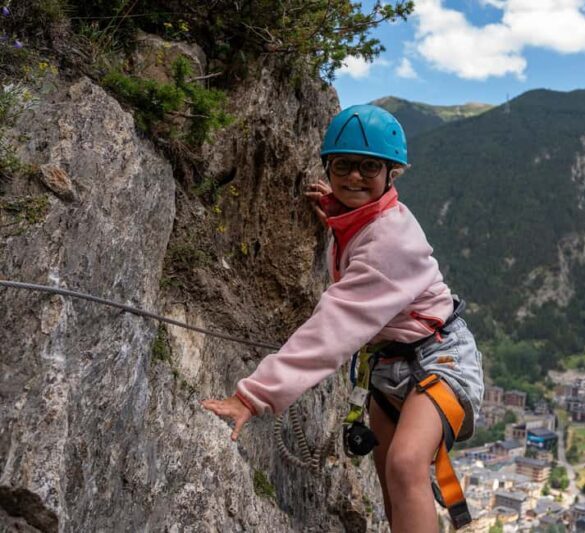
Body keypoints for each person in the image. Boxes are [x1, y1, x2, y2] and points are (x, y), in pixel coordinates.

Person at [201, 105, 484, 532]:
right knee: (393, 486)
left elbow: (333, 330)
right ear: (328, 168)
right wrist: (337, 212)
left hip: (440, 361)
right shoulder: (365, 218)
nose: (354, 177)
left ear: (393, 174)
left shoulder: (392, 241)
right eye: (342, 166)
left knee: (407, 465)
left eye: (369, 167)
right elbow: (361, 221)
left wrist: (252, 396)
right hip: (391, 366)